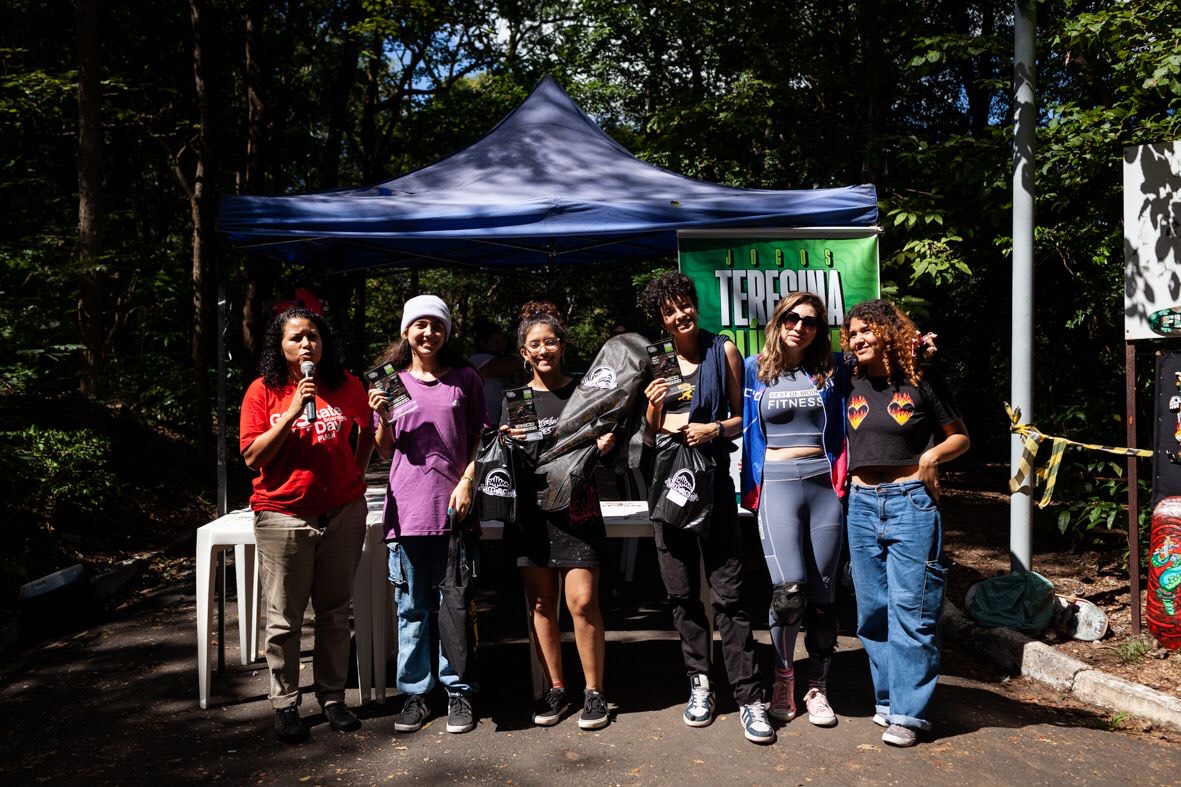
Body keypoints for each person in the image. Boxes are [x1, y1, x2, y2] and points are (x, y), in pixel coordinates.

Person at [640, 271, 773, 745]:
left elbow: (743, 417)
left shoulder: (725, 350)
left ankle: (749, 696)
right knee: (680, 595)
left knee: (730, 594)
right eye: (670, 310)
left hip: (714, 486)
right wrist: (654, 408)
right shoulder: (655, 362)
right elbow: (650, 434)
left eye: (685, 305)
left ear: (696, 304)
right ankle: (700, 683)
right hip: (669, 486)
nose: (681, 315)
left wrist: (714, 430)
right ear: (662, 318)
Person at [239, 306, 374, 744]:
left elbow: (367, 430)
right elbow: (252, 456)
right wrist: (296, 407)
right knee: (284, 619)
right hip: (282, 515)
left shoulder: (345, 385)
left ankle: (332, 697)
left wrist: (355, 474)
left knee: (335, 613)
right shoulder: (263, 392)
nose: (306, 344)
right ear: (279, 346)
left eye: (313, 336)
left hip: (341, 513)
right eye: (296, 337)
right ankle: (285, 703)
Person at [840, 299, 969, 748]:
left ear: (889, 334)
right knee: (872, 611)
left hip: (910, 503)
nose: (857, 339)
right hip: (859, 504)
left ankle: (910, 715)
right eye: (852, 333)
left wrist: (932, 455)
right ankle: (888, 700)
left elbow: (960, 436)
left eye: (866, 331)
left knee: (912, 610)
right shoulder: (848, 381)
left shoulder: (921, 381)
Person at [370, 294, 489, 735]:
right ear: (406, 331)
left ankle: (458, 691)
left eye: (436, 325)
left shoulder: (464, 379)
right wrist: (380, 416)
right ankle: (415, 694)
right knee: (412, 609)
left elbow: (481, 438)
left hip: (455, 512)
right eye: (419, 325)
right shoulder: (392, 385)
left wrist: (468, 480)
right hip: (407, 511)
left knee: (454, 607)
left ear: (447, 332)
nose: (428, 333)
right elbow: (384, 452)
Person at [500, 301, 614, 730]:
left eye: (550, 341)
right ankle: (557, 687)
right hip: (532, 514)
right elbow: (510, 462)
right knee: (543, 604)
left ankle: (595, 692)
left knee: (583, 602)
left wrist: (605, 446)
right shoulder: (518, 400)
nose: (543, 350)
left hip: (579, 510)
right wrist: (507, 445)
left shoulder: (585, 393)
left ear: (562, 346)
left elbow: (609, 447)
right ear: (524, 352)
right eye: (535, 344)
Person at [740, 292, 849, 728]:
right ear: (778, 320)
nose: (799, 326)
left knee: (824, 599)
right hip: (778, 488)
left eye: (810, 321)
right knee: (789, 594)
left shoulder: (833, 369)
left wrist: (919, 349)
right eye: (791, 317)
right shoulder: (753, 369)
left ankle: (818, 686)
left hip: (824, 487)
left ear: (819, 329)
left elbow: (886, 366)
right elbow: (727, 413)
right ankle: (784, 678)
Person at [470, 317, 519, 419]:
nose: (501, 345)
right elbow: (498, 368)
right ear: (482, 343)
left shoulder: (499, 358)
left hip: (501, 418)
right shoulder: (476, 359)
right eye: (496, 342)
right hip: (485, 420)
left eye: (502, 341)